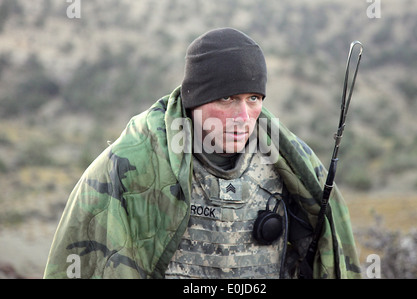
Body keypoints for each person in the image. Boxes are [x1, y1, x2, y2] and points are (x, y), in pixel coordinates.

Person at [44, 28, 361, 279]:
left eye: (253, 98)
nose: (242, 115)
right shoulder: (129, 163)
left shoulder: (292, 165)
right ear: (194, 100)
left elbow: (327, 254)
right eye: (226, 98)